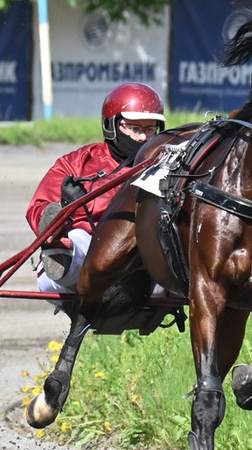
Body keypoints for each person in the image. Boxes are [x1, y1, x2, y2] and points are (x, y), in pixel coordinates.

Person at [28, 82, 166, 292]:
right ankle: (62, 256)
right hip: (87, 248)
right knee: (78, 240)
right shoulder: (77, 163)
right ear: (112, 126)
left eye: (150, 129)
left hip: (142, 257)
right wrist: (66, 207)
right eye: (136, 128)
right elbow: (37, 208)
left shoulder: (166, 166)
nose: (143, 138)